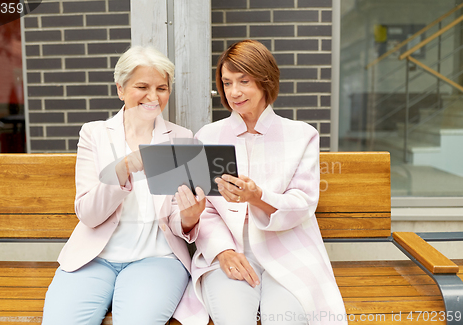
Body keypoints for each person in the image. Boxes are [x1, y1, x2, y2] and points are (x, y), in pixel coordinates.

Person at [41, 45, 205, 325]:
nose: (153, 97)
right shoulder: (94, 134)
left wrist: (189, 219)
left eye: (162, 88)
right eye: (142, 86)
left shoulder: (181, 137)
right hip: (93, 258)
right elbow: (89, 214)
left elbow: (177, 218)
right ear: (120, 89)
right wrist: (123, 168)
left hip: (157, 259)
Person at [189, 40, 348, 325]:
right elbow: (207, 209)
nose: (234, 92)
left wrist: (257, 196)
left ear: (266, 81)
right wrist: (222, 251)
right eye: (226, 83)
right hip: (231, 252)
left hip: (289, 250)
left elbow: (303, 203)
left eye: (244, 81)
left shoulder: (301, 135)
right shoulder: (208, 136)